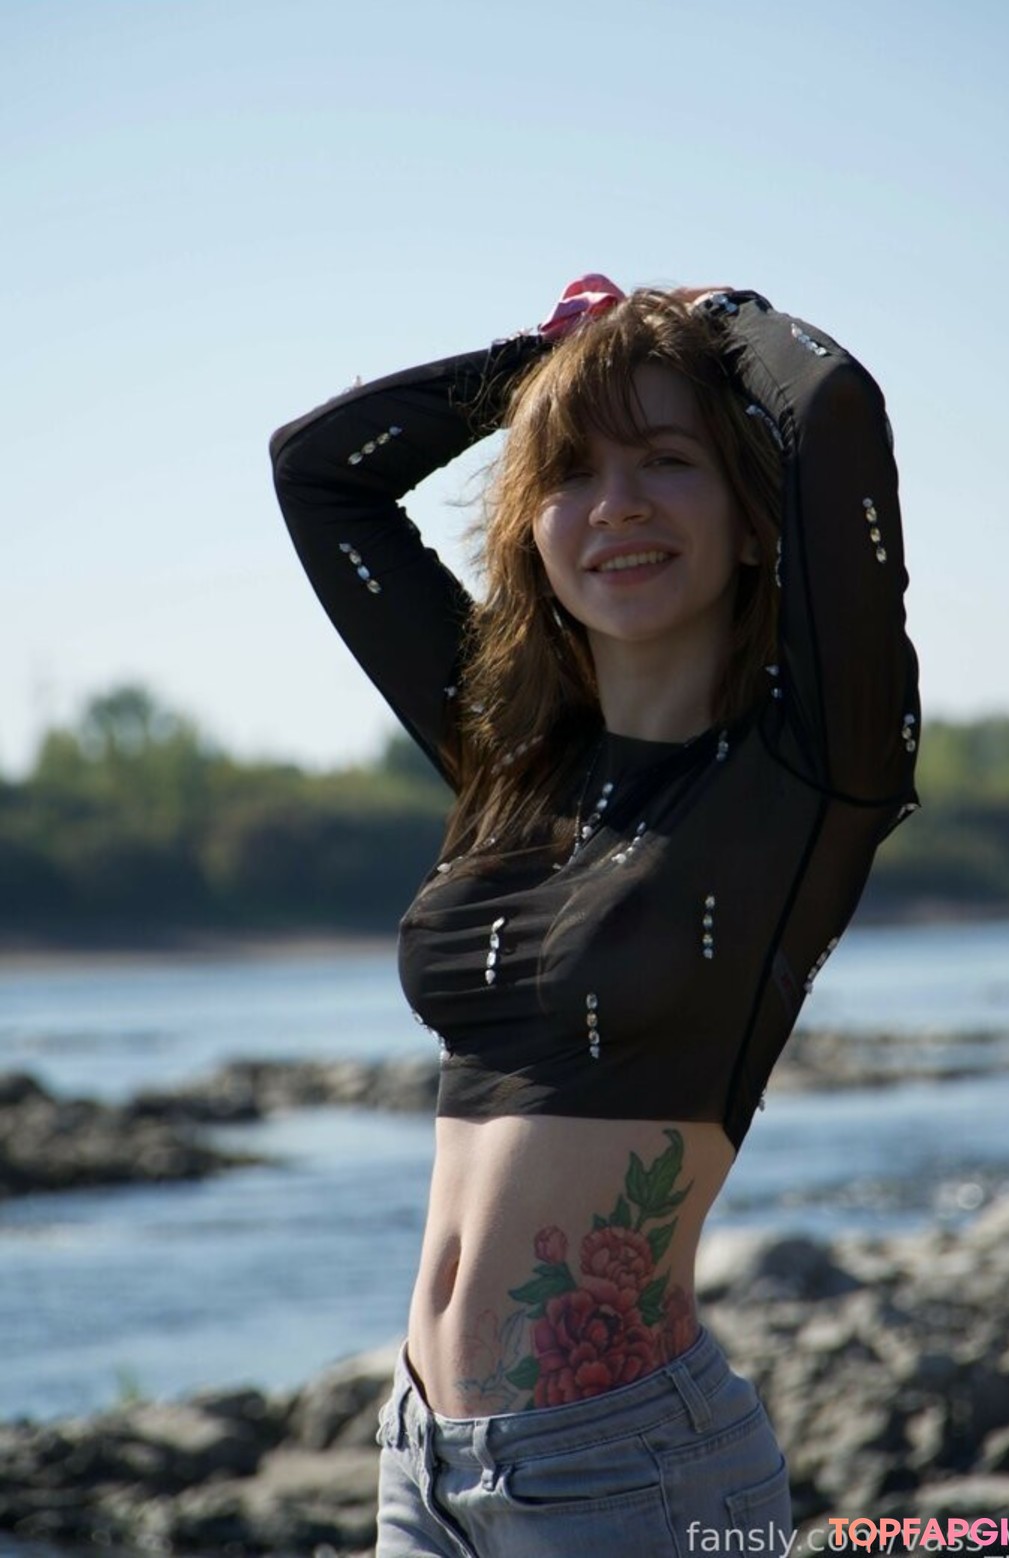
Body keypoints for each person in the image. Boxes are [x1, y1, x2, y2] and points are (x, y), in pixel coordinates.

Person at [269, 276, 920, 1558]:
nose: (616, 503)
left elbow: (833, 406)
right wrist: (552, 356)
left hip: (631, 1472)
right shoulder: (511, 755)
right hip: (419, 1465)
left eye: (667, 460)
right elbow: (320, 471)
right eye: (570, 472)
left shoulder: (808, 771)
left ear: (754, 522)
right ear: (532, 532)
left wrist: (706, 317)